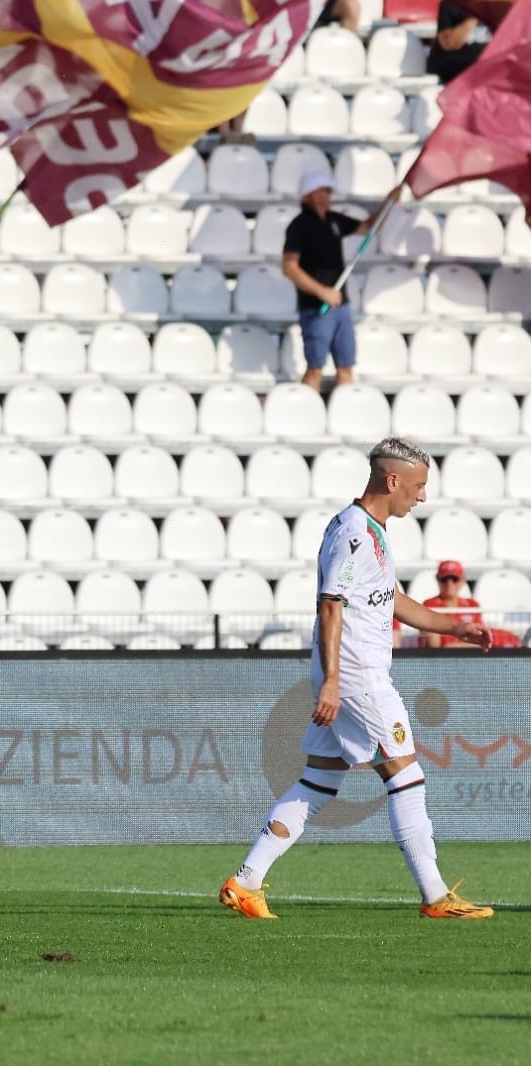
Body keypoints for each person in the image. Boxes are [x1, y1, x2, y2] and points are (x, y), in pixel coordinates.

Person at [219, 438, 494, 922]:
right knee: (405, 773)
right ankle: (435, 896)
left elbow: (392, 599)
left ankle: (245, 881)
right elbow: (331, 604)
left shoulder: (372, 531)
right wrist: (332, 682)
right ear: (392, 481)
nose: (422, 496)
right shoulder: (351, 532)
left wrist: (454, 627)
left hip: (348, 675)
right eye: (418, 486)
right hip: (356, 676)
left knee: (319, 781)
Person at [283, 171, 399, 392]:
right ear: (311, 195)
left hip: (340, 305)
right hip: (316, 308)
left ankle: (344, 415)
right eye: (325, 190)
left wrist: (389, 202)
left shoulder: (333, 220)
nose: (330, 195)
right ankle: (307, 415)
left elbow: (369, 228)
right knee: (315, 368)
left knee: (346, 366)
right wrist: (321, 291)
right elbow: (289, 268)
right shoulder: (298, 227)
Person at [419, 560, 484, 650]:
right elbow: (433, 646)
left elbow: (480, 641)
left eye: (454, 579)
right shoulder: (429, 604)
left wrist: (452, 647)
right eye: (444, 579)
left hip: (467, 659)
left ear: (463, 580)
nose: (449, 584)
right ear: (437, 579)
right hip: (438, 660)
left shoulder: (472, 605)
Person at [427, 0, 493, 84]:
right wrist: (474, 17)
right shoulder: (451, 5)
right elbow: (448, 44)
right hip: (449, 65)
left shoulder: (499, 9)